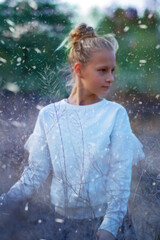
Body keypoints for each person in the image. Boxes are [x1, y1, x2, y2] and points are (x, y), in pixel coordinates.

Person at [0, 23, 145, 240]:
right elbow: (36, 172)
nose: (111, 78)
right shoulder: (50, 115)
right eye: (102, 70)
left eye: (112, 70)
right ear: (79, 69)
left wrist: (110, 226)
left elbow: (120, 176)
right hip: (62, 225)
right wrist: (6, 201)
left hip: (107, 224)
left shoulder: (115, 114)